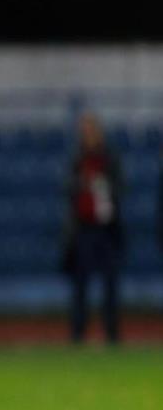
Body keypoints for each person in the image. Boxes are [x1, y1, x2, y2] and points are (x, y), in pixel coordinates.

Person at [62, 113, 124, 344]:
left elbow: (120, 187)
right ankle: (78, 333)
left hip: (106, 229)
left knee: (110, 283)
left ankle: (112, 332)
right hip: (83, 229)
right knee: (80, 284)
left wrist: (105, 188)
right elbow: (67, 189)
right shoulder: (77, 159)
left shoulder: (109, 159)